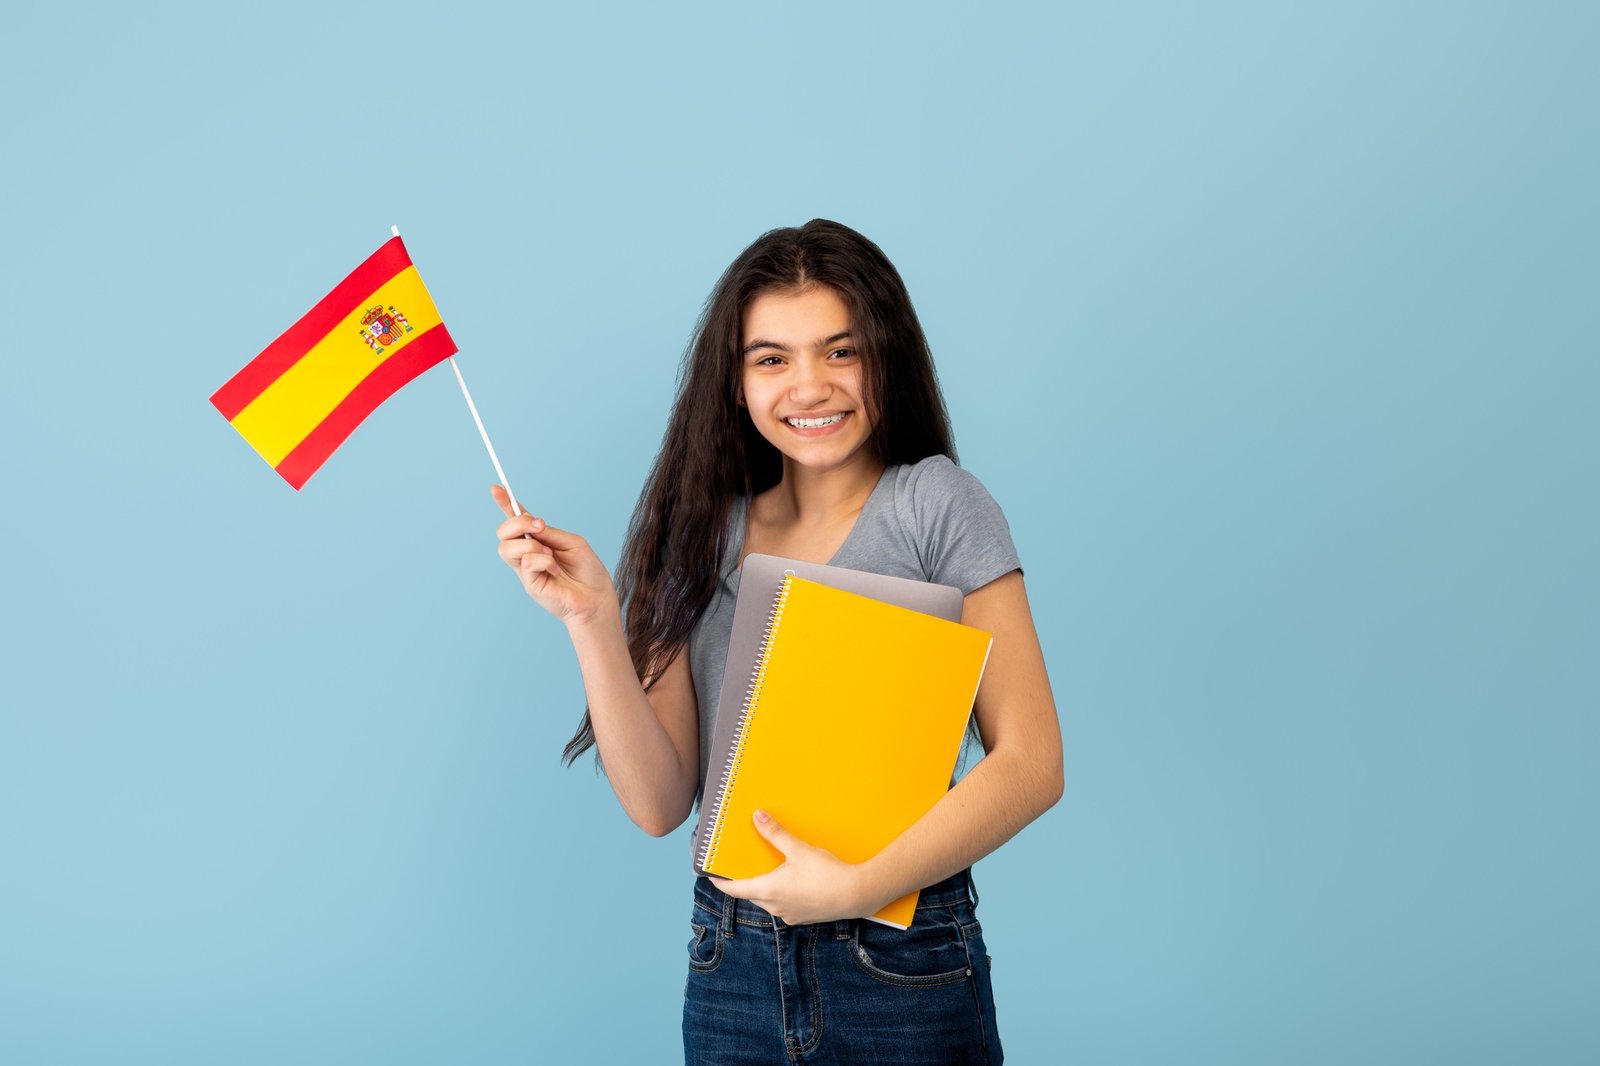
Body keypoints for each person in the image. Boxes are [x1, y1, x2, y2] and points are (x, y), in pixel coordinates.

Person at [492, 219, 1062, 1065]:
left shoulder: (937, 505)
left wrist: (860, 886)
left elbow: (1033, 762)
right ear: (734, 382)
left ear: (886, 358)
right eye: (771, 359)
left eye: (841, 351)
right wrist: (593, 621)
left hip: (898, 955)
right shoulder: (698, 530)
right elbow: (658, 805)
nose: (809, 386)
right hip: (732, 961)